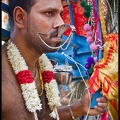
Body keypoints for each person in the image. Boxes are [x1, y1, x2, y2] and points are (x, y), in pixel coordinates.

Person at [2, 0, 108, 120]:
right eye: (49, 13)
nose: (60, 23)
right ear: (20, 18)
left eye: (60, 14)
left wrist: (80, 108)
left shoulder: (41, 67)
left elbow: (39, 116)